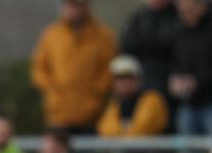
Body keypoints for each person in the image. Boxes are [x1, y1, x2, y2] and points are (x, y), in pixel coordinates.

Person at [30, 0, 116, 133]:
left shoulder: (102, 36)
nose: (73, 10)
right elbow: (39, 68)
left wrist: (96, 91)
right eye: (69, 5)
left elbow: (109, 68)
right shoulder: (52, 35)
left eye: (77, 5)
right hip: (58, 113)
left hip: (90, 114)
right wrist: (52, 89)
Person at [170, 0, 212, 136]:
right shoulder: (181, 31)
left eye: (189, 11)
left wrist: (198, 81)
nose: (185, 15)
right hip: (189, 103)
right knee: (187, 151)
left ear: (201, 7)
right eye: (181, 12)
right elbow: (175, 61)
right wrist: (176, 79)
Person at [121, 0, 180, 110]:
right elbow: (127, 45)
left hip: (167, 83)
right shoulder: (139, 17)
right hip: (141, 79)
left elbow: (171, 45)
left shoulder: (178, 16)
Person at [97, 54, 169, 137]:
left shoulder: (152, 99)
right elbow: (106, 131)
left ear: (139, 79)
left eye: (129, 77)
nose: (124, 83)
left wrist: (121, 137)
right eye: (119, 78)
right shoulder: (114, 103)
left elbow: (142, 130)